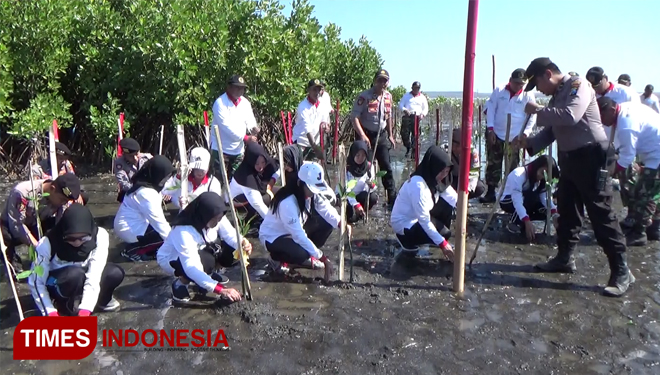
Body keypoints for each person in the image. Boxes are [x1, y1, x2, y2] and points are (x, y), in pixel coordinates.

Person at [518, 57, 633, 297]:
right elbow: (551, 131)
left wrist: (538, 110)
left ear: (548, 74)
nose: (538, 90)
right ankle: (564, 258)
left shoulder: (578, 85)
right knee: (568, 211)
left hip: (592, 157)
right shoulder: (557, 96)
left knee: (601, 214)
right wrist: (528, 144)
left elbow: (570, 116)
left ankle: (621, 270)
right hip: (570, 159)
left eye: (538, 84)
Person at [29, 203, 124, 316]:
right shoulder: (47, 243)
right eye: (71, 238)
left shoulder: (100, 235)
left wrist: (86, 308)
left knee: (114, 272)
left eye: (83, 238)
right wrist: (49, 311)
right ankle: (64, 304)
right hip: (59, 281)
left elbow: (95, 273)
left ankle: (101, 301)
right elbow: (36, 281)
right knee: (75, 274)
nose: (77, 243)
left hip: (84, 275)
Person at [157, 192, 248, 304]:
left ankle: (207, 275)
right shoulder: (183, 230)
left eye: (219, 218)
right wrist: (220, 290)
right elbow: (191, 266)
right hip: (174, 259)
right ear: (204, 215)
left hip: (203, 249)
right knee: (206, 261)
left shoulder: (216, 215)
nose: (218, 222)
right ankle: (181, 283)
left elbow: (231, 235)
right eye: (215, 219)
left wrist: (243, 243)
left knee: (232, 251)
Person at [259, 162, 339, 281]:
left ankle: (308, 255)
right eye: (311, 189)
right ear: (300, 184)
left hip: (294, 230)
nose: (313, 193)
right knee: (303, 253)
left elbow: (326, 209)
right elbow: (298, 236)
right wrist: (323, 258)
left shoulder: (312, 195)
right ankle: (277, 260)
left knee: (327, 224)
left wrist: (341, 223)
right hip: (275, 237)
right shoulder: (288, 202)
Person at [597, 97, 660, 246]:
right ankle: (654, 228)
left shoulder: (626, 125)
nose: (601, 121)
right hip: (651, 151)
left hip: (656, 155)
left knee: (646, 194)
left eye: (602, 116)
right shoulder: (622, 111)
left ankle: (639, 234)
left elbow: (627, 157)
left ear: (611, 110)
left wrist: (610, 172)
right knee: (651, 191)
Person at [1, 173, 81, 273]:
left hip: (37, 224)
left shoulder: (60, 198)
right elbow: (17, 226)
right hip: (11, 227)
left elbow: (60, 223)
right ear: (52, 188)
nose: (63, 203)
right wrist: (38, 246)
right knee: (14, 271)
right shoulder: (23, 193)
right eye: (62, 200)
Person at [480, 68, 538, 203]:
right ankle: (491, 192)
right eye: (516, 83)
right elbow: (491, 109)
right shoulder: (499, 90)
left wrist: (525, 134)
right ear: (510, 80)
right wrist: (490, 129)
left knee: (513, 167)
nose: (519, 86)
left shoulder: (528, 94)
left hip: (515, 137)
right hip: (497, 133)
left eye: (521, 84)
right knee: (493, 164)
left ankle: (510, 194)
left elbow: (532, 116)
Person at [390, 146, 456, 260]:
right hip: (406, 224)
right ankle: (406, 241)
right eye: (441, 171)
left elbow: (454, 198)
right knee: (443, 234)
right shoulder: (418, 185)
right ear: (434, 167)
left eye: (446, 172)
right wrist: (443, 244)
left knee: (447, 206)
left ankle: (435, 238)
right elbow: (424, 220)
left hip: (419, 216)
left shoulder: (436, 179)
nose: (443, 175)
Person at [114, 155, 176, 262]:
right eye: (165, 177)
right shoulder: (146, 194)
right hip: (130, 229)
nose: (166, 180)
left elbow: (172, 187)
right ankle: (133, 251)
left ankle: (145, 246)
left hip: (135, 224)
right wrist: (178, 246)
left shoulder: (146, 182)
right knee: (164, 236)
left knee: (170, 233)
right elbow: (160, 224)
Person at [351, 69, 397, 206]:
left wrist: (390, 135)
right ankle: (363, 198)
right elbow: (354, 117)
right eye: (380, 80)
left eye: (385, 80)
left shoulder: (388, 96)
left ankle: (392, 199)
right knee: (366, 168)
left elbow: (388, 116)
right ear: (374, 81)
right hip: (366, 135)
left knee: (386, 167)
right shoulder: (364, 97)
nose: (382, 83)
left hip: (381, 135)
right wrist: (362, 135)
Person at [210, 74, 259, 185]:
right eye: (237, 87)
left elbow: (250, 119)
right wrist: (246, 137)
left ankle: (232, 201)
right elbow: (226, 127)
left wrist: (253, 128)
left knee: (236, 181)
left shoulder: (245, 102)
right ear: (229, 87)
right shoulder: (220, 103)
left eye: (242, 88)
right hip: (220, 148)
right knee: (217, 182)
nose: (239, 90)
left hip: (238, 150)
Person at [500, 155, 560, 241]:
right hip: (507, 200)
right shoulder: (519, 174)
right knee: (530, 197)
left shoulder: (541, 180)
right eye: (542, 173)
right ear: (537, 166)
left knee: (544, 211)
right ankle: (514, 222)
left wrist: (554, 213)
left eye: (546, 176)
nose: (542, 177)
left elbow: (545, 198)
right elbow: (517, 201)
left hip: (524, 200)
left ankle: (523, 220)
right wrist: (526, 220)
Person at [229, 141, 280, 229]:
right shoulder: (245, 175)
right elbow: (256, 203)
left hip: (257, 190)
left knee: (280, 191)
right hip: (238, 201)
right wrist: (275, 224)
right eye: (257, 164)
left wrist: (271, 183)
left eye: (263, 162)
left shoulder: (267, 161)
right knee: (266, 198)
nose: (260, 166)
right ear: (251, 161)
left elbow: (277, 171)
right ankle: (250, 220)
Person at [335, 140, 378, 223]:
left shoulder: (369, 166)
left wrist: (371, 185)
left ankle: (361, 214)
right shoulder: (345, 168)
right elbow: (346, 190)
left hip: (359, 194)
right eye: (357, 155)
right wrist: (355, 205)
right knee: (349, 217)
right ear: (353, 154)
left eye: (363, 155)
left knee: (372, 197)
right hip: (345, 195)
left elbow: (373, 186)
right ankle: (347, 220)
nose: (360, 158)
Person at [292, 79, 330, 161]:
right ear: (308, 90)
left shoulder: (322, 103)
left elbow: (325, 120)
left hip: (315, 143)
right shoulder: (303, 106)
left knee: (314, 171)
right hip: (301, 143)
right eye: (314, 90)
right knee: (301, 170)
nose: (317, 93)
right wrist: (316, 148)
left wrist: (326, 126)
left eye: (319, 90)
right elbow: (307, 129)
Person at [450, 128, 486, 199]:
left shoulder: (472, 153)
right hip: (451, 179)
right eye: (454, 145)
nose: (455, 148)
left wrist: (467, 190)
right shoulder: (445, 150)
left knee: (480, 187)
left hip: (466, 179)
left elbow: (474, 173)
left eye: (458, 146)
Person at [114, 137, 153, 203]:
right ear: (124, 154)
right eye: (131, 156)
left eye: (136, 154)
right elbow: (124, 184)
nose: (135, 158)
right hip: (131, 192)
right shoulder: (120, 163)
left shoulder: (147, 158)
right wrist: (141, 189)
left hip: (149, 190)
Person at [399, 81, 429, 158]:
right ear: (412, 87)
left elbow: (425, 108)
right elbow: (401, 105)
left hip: (417, 117)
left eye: (418, 88)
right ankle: (408, 147)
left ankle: (413, 153)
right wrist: (405, 109)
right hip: (408, 116)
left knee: (416, 136)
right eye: (415, 87)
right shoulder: (406, 96)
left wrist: (422, 114)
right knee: (404, 134)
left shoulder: (422, 97)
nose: (416, 89)